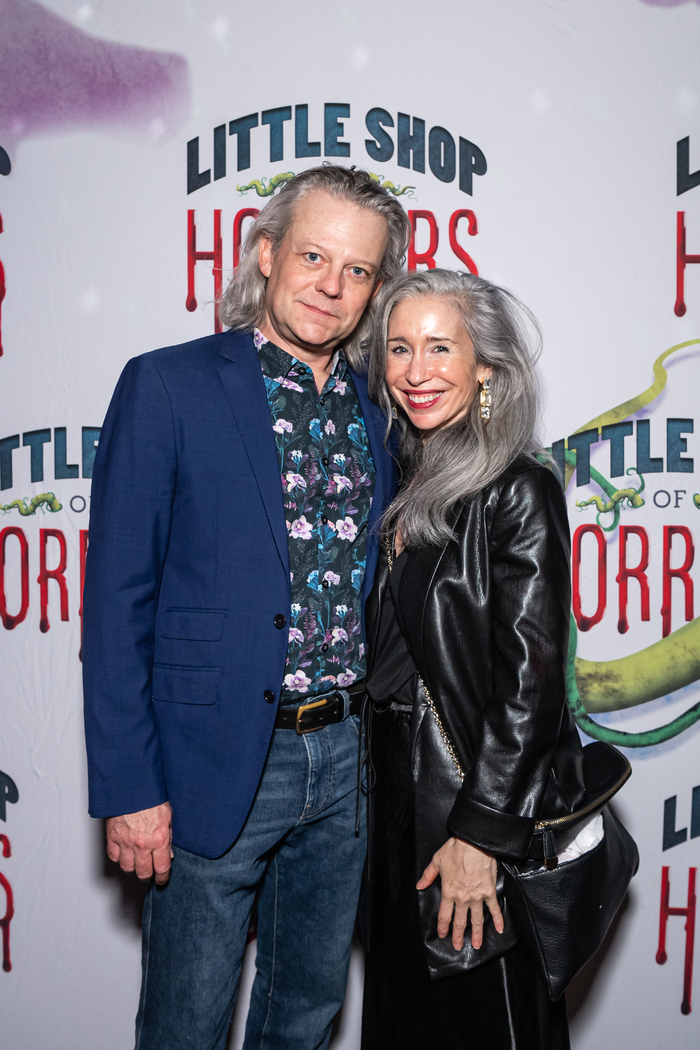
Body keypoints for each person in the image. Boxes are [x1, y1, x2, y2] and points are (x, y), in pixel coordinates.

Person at [82, 165, 411, 1050]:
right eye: (313, 256)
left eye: (357, 270)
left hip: (346, 760)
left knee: (304, 1016)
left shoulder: (381, 407)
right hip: (214, 758)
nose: (331, 285)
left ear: (375, 288)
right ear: (266, 253)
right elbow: (115, 606)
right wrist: (131, 787)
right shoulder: (168, 385)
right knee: (185, 1026)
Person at [361, 269, 585, 1049]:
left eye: (439, 348)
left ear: (485, 367)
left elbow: (531, 689)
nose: (415, 370)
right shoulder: (400, 476)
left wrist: (481, 836)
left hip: (466, 798)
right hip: (393, 794)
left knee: (481, 1020)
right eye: (398, 348)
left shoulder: (516, 488)